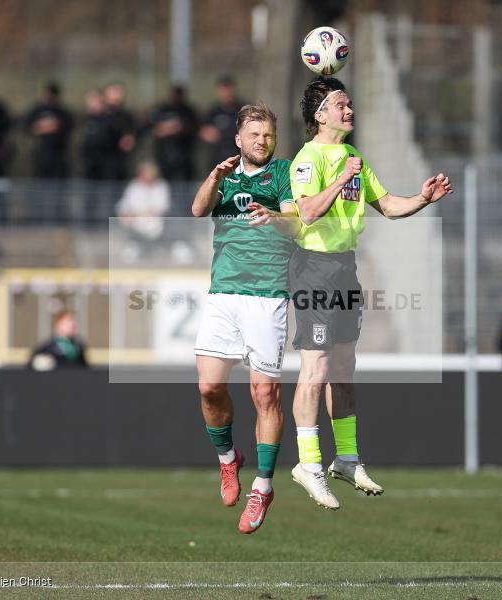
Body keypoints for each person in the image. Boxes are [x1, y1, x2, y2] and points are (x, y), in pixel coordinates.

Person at [287, 76, 452, 509]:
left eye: (350, 103)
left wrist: (423, 198)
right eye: (342, 104)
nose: (350, 110)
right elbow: (306, 211)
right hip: (315, 270)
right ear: (320, 114)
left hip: (344, 269)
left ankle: (346, 458)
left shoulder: (354, 156)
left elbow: (389, 206)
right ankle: (308, 463)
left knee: (343, 367)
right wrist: (341, 178)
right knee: (316, 368)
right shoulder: (309, 158)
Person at [190, 103, 299, 534]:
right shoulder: (226, 175)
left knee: (264, 396)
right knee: (209, 387)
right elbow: (198, 211)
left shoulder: (284, 172)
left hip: (266, 296)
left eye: (268, 135)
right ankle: (228, 460)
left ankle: (263, 487)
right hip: (223, 294)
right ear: (238, 139)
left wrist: (276, 216)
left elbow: (297, 221)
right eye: (254, 134)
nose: (262, 141)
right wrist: (214, 177)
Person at [115, 161, 172, 262]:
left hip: (157, 223)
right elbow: (123, 205)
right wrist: (126, 215)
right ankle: (134, 248)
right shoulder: (134, 187)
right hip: (136, 224)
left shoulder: (161, 186)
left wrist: (146, 213)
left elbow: (163, 206)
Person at [24, 82, 73, 179]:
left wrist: (55, 126)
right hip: (40, 153)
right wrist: (42, 127)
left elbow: (68, 127)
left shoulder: (62, 111)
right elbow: (27, 127)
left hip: (58, 154)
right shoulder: (37, 110)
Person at [149, 86, 198, 182]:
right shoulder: (162, 110)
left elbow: (193, 129)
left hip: (184, 157)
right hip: (164, 156)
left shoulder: (188, 111)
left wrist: (179, 128)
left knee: (183, 185)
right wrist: (170, 128)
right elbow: (154, 129)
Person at [199, 75, 244, 170]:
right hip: (218, 159)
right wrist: (209, 134)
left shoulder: (243, 109)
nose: (226, 92)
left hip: (239, 158)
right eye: (223, 89)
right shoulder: (213, 111)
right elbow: (203, 131)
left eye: (229, 88)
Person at [102, 83, 137, 180]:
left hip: (119, 162)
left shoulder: (127, 116)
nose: (117, 95)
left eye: (119, 92)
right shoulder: (98, 115)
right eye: (114, 92)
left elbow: (132, 134)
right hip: (97, 161)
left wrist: (130, 139)